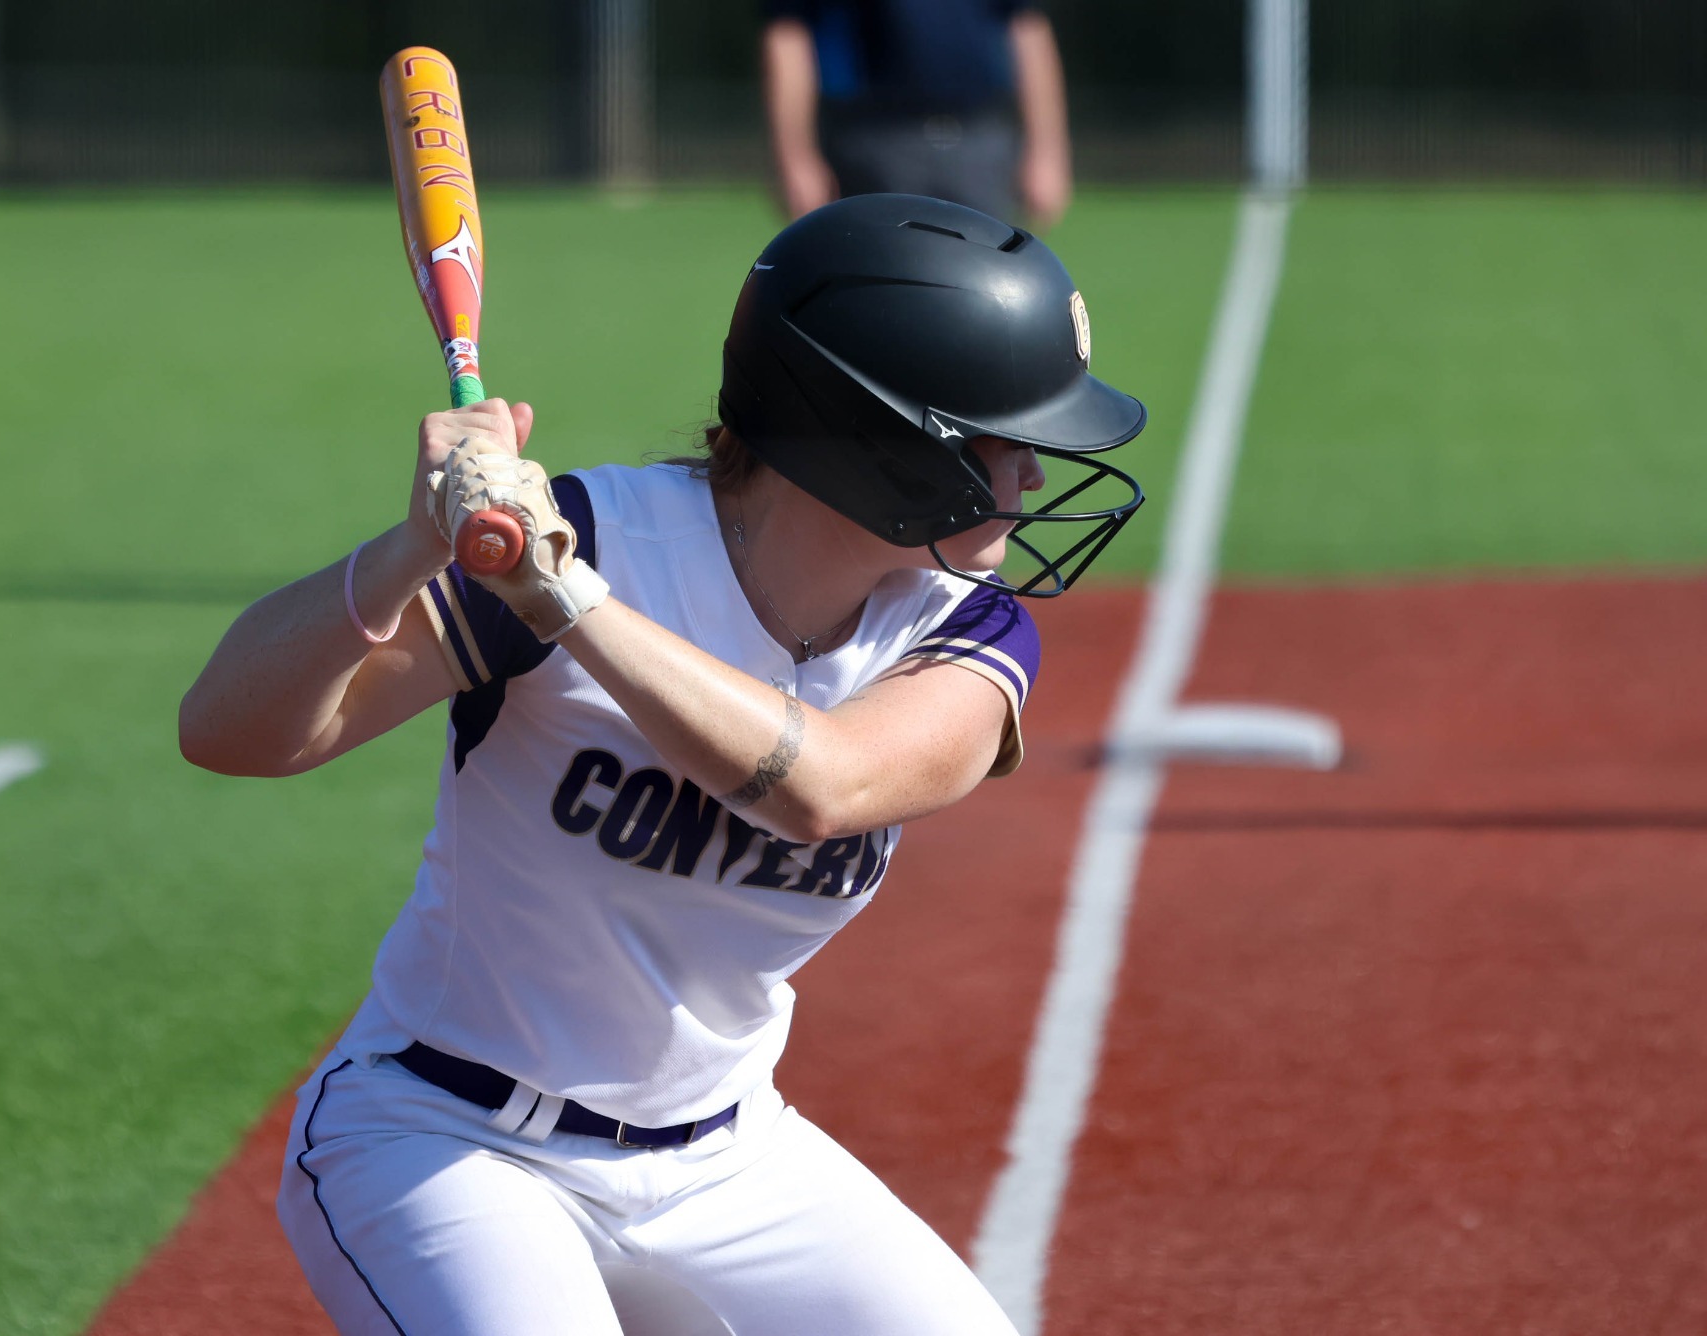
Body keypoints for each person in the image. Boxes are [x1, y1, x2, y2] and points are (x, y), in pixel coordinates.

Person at [178, 194, 1144, 1335]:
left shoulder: (963, 631)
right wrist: (408, 553)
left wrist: (562, 600)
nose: (1030, 477)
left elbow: (822, 787)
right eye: (998, 438)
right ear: (876, 435)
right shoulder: (600, 533)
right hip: (444, 1138)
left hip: (730, 1159)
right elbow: (232, 731)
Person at [762, 0, 1075, 229]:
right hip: (872, 143)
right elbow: (788, 31)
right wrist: (796, 157)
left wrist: (1047, 151)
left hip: (980, 139)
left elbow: (1027, 26)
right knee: (879, 284)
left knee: (983, 289)